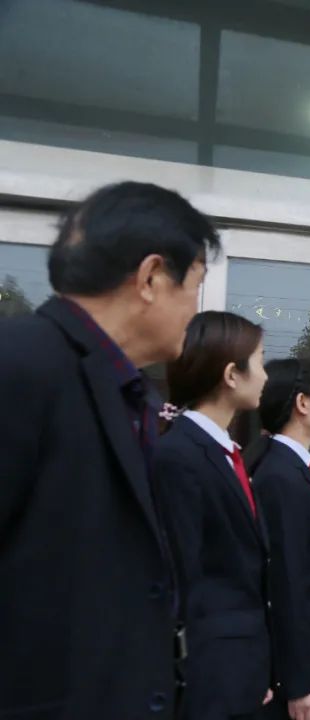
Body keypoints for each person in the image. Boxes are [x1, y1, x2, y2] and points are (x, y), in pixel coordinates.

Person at [0, 182, 218, 718]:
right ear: (151, 278)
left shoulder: (124, 392)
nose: (196, 308)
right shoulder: (20, 367)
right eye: (195, 285)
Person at [153, 311, 273, 720]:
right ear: (231, 374)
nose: (265, 376)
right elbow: (180, 580)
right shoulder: (179, 456)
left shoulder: (226, 453)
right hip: (208, 683)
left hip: (240, 672)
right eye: (260, 361)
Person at [246, 359, 310, 720]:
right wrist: (298, 680)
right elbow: (285, 582)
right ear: (302, 403)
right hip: (293, 674)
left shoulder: (289, 468)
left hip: (307, 659)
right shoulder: (279, 477)